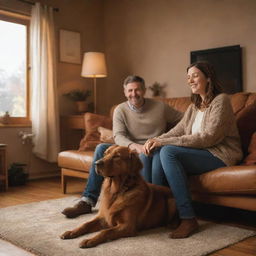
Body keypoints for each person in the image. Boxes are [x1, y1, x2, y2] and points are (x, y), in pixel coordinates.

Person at [144, 61, 243, 239]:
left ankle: (188, 218)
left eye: (195, 75)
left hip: (220, 154)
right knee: (157, 151)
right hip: (201, 153)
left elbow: (209, 137)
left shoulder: (221, 101)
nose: (190, 80)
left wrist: (164, 143)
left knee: (167, 151)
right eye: (188, 77)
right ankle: (160, 212)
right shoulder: (194, 106)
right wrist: (156, 140)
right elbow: (179, 130)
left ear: (208, 78)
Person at [62, 75, 182, 218]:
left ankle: (145, 206)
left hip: (154, 148)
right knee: (101, 149)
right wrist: (134, 146)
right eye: (130, 91)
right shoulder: (120, 109)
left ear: (144, 90)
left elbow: (184, 120)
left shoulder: (160, 107)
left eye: (137, 90)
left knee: (147, 155)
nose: (134, 94)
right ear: (125, 92)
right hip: (129, 149)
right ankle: (87, 201)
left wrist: (166, 139)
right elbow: (118, 136)